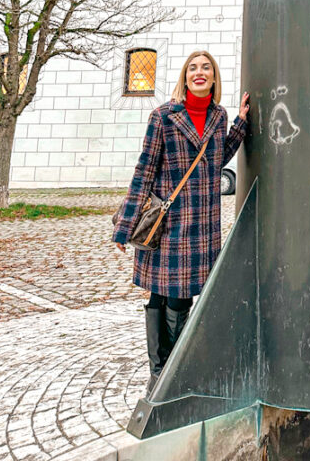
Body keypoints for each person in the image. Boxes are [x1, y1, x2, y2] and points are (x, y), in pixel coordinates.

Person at [112, 50, 250, 393]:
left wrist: (241, 124)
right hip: (167, 226)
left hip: (201, 226)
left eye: (206, 68)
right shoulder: (163, 117)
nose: (199, 73)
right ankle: (161, 373)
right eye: (192, 68)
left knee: (182, 299)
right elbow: (144, 172)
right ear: (185, 77)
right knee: (160, 296)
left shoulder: (219, 116)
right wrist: (126, 225)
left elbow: (217, 156)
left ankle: (174, 369)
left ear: (214, 78)